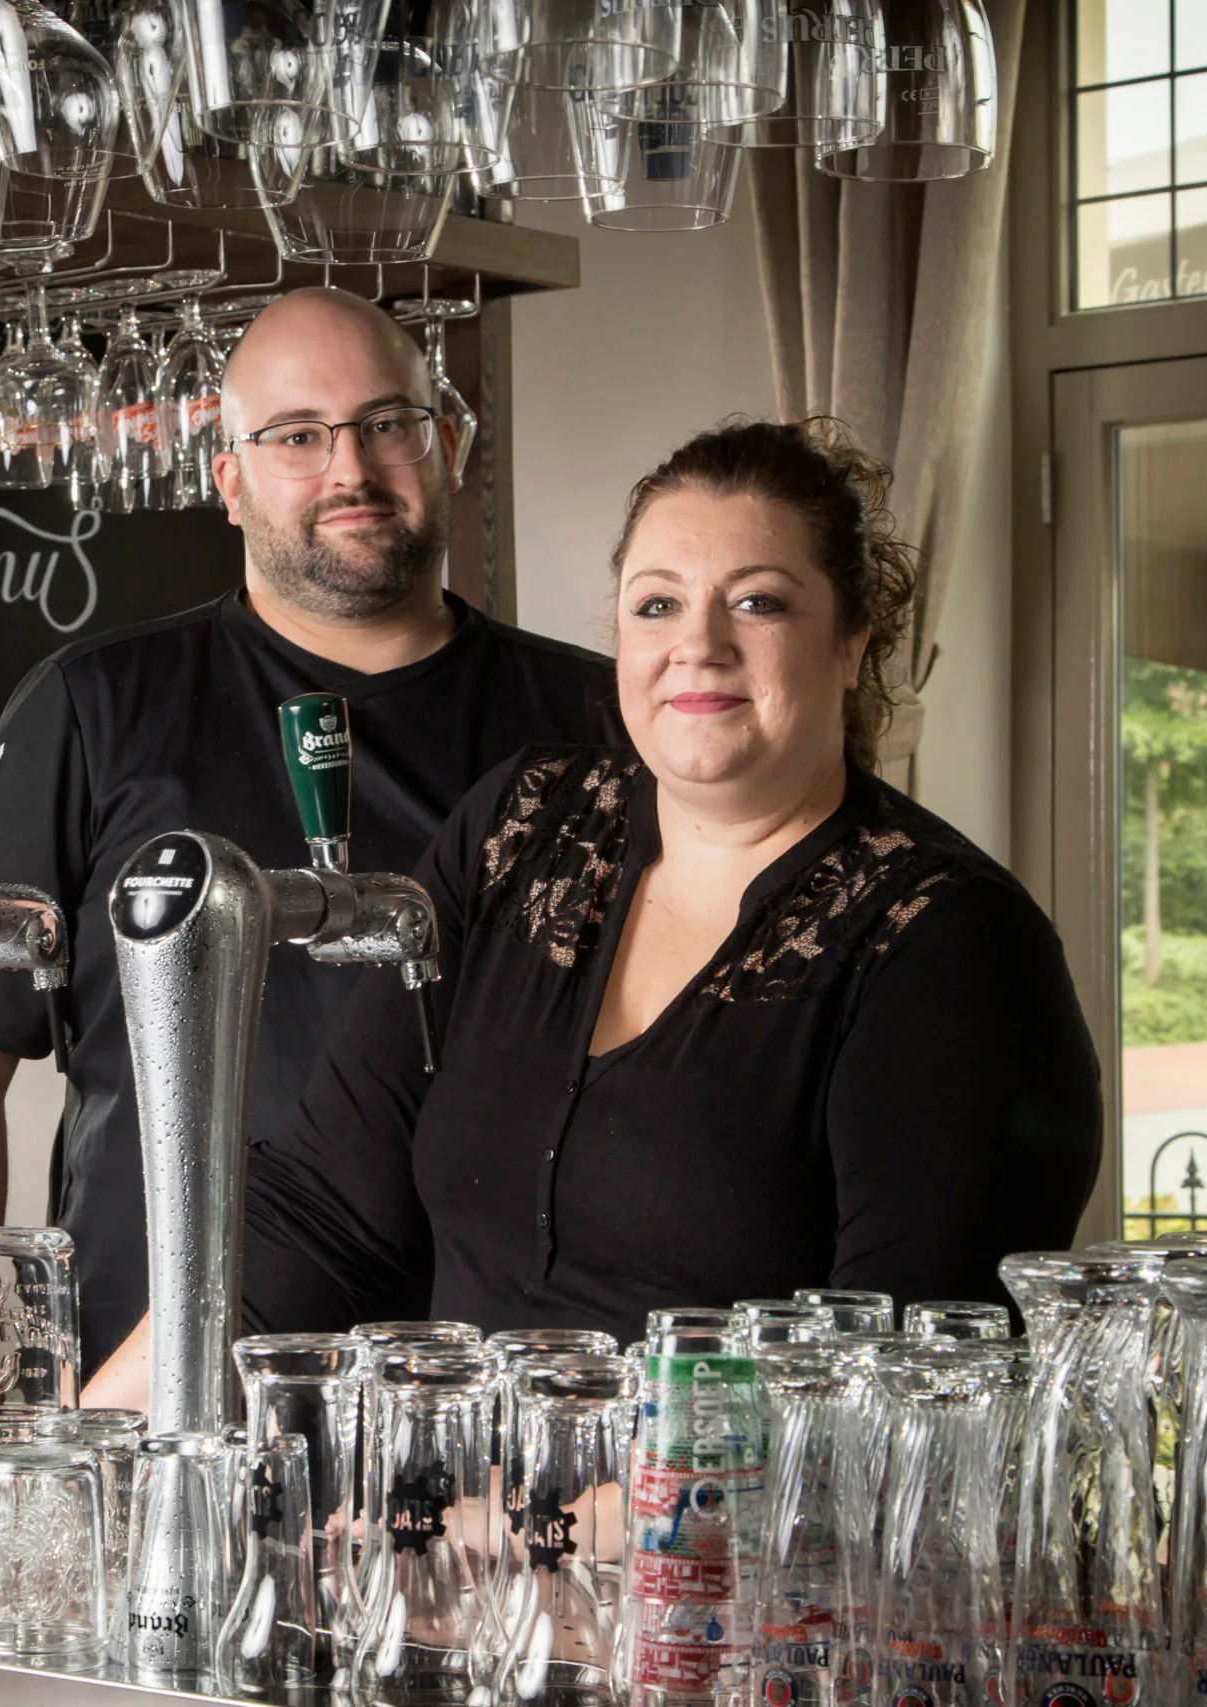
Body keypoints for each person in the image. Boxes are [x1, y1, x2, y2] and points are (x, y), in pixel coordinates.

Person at [82, 418, 1101, 1397]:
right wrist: (100, 1439)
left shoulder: (948, 942)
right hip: (454, 1539)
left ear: (849, 645)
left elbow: (892, 1391)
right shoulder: (521, 832)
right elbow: (318, 1213)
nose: (695, 645)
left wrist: (540, 1526)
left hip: (729, 1565)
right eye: (656, 604)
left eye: (758, 603)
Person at [0, 288, 623, 1376]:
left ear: (449, 445)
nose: (350, 471)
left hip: (496, 1383)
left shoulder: (598, 721)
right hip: (145, 1379)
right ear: (226, 479)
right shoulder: (94, 708)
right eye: (296, 437)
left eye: (387, 424)